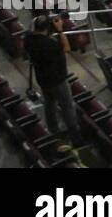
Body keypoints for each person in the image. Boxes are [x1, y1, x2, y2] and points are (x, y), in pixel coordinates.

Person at [25, 15, 82, 143]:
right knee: (67, 107)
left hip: (43, 80)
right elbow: (66, 48)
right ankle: (76, 137)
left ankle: (54, 132)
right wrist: (60, 30)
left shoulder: (28, 40)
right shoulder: (49, 44)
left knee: (49, 105)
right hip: (58, 81)